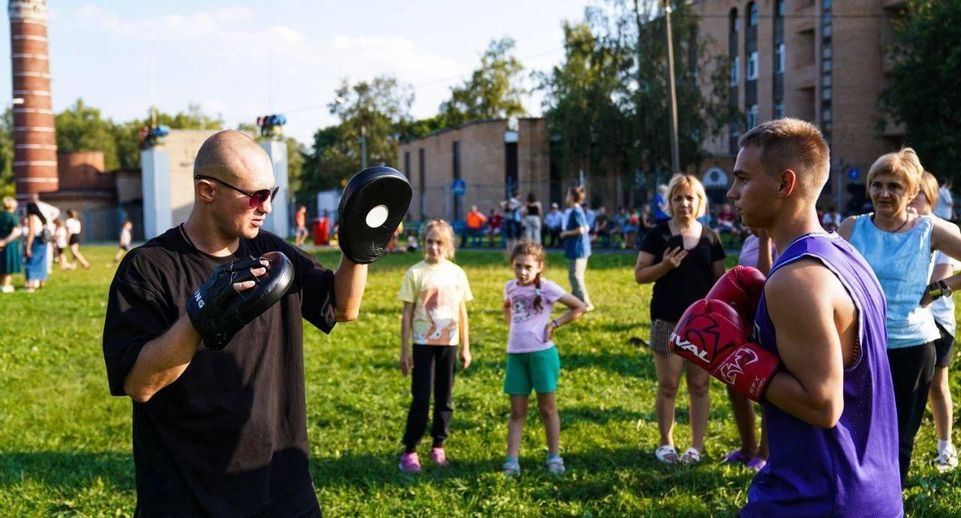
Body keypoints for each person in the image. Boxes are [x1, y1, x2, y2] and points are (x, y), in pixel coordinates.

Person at [101, 130, 387, 516]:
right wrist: (199, 317)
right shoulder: (148, 268)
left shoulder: (271, 252)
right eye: (255, 195)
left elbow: (341, 307)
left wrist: (358, 250)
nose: (266, 207)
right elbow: (139, 384)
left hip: (282, 485)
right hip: (188, 494)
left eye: (272, 193)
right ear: (207, 191)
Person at [672, 118, 901, 515]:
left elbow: (823, 405)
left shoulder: (797, 279)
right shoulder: (845, 256)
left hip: (817, 497)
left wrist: (732, 356)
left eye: (743, 178)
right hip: (870, 487)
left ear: (784, 184)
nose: (732, 192)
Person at [838, 148, 961, 487]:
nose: (883, 193)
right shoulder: (852, 228)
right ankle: (858, 497)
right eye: (876, 185)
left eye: (894, 186)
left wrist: (939, 288)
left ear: (911, 193)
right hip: (861, 347)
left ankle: (890, 501)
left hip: (913, 347)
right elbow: (823, 272)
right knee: (857, 430)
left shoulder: (928, 229)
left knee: (899, 438)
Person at [634, 174, 725, 464]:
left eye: (690, 197)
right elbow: (640, 275)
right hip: (666, 320)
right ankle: (666, 444)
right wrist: (665, 265)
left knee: (699, 385)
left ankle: (695, 447)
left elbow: (719, 281)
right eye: (678, 197)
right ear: (669, 202)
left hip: (702, 325)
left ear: (700, 202)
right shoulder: (657, 235)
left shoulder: (711, 236)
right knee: (668, 384)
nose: (684, 203)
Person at [501, 240, 586, 476]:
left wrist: (555, 324)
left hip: (542, 355)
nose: (523, 272)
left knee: (547, 409)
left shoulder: (547, 287)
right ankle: (512, 459)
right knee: (517, 411)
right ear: (512, 265)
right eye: (518, 266)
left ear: (539, 267)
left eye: (528, 267)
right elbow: (507, 307)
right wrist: (512, 326)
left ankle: (554, 457)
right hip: (515, 356)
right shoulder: (509, 286)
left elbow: (579, 307)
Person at [398, 219, 473, 473]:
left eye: (439, 243)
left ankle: (438, 445)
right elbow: (407, 313)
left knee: (445, 397)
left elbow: (462, 312)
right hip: (422, 343)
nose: (434, 247)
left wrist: (465, 347)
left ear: (449, 246)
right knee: (421, 398)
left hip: (448, 344)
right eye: (429, 242)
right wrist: (404, 350)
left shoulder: (456, 273)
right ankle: (410, 450)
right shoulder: (415, 273)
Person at [911, 171, 959, 472]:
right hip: (903, 322)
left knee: (937, 386)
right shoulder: (899, 229)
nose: (910, 198)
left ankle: (945, 448)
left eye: (916, 193)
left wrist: (928, 295)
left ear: (930, 198)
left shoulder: (942, 230)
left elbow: (940, 281)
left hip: (935, 322)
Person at [722, 228, 776, 471]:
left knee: (766, 388)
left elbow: (768, 279)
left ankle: (765, 454)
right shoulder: (749, 239)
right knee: (734, 384)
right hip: (745, 320)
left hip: (770, 322)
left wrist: (765, 240)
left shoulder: (778, 237)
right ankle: (747, 447)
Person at [559, 186, 594, 312]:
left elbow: (582, 229)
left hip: (578, 250)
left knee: (576, 276)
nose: (566, 197)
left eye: (568, 194)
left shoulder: (576, 211)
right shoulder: (576, 210)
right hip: (576, 248)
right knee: (573, 276)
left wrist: (566, 233)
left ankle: (586, 304)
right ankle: (575, 303)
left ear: (572, 197)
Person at [23, 202, 49, 292]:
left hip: (35, 241)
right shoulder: (42, 219)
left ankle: (30, 285)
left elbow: (31, 233)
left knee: (31, 262)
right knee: (42, 262)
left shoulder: (31, 217)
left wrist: (28, 247)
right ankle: (42, 282)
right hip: (43, 242)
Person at [0, 197, 23, 293]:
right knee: (8, 266)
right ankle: (6, 285)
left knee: (1, 265)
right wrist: (5, 241)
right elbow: (16, 232)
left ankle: (1, 284)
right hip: (9, 244)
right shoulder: (13, 217)